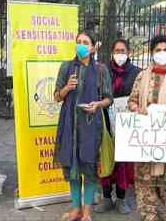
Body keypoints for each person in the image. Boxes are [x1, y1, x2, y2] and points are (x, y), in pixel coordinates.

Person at [127, 35, 166, 221]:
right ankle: (150, 216)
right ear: (151, 53)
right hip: (147, 140)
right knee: (145, 181)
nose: (161, 53)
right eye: (157, 50)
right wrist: (137, 109)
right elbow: (132, 100)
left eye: (165, 50)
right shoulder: (142, 76)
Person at [54, 31, 113, 221]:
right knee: (72, 168)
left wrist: (97, 104)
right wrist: (67, 88)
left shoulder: (101, 69)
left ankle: (87, 212)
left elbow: (109, 98)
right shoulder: (66, 67)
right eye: (78, 41)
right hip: (69, 123)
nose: (81, 45)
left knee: (88, 167)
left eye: (85, 42)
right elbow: (56, 97)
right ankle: (75, 209)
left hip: (90, 124)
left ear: (93, 47)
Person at [94, 39, 141, 214]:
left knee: (123, 162)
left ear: (128, 53)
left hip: (127, 123)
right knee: (106, 157)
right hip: (106, 121)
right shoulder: (103, 70)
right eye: (117, 50)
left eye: (123, 50)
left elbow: (139, 95)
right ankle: (106, 197)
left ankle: (121, 198)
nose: (119, 54)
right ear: (112, 52)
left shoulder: (137, 73)